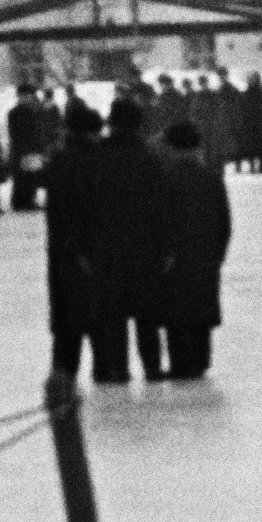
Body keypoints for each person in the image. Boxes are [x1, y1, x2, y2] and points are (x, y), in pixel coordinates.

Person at [82, 98, 176, 375]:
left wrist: (84, 249)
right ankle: (152, 367)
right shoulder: (149, 158)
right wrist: (167, 247)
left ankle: (116, 368)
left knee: (112, 313)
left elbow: (86, 207)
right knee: (147, 313)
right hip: (143, 246)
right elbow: (161, 207)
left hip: (106, 246)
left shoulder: (97, 157)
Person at [153, 120, 233, 377]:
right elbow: (224, 221)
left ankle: (181, 363)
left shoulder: (165, 179)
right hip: (206, 255)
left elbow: (159, 221)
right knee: (202, 310)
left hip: (175, 258)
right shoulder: (211, 178)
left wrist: (162, 253)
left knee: (177, 314)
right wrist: (217, 254)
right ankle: (201, 360)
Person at [41, 100, 104, 377]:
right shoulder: (97, 161)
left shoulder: (59, 161)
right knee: (100, 321)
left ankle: (63, 377)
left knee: (67, 324)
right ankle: (107, 374)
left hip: (62, 250)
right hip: (93, 249)